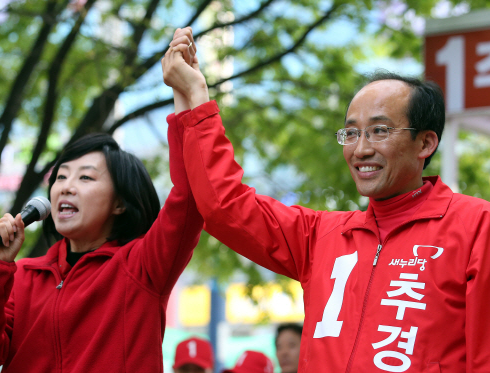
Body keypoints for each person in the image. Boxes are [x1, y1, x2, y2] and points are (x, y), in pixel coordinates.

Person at [163, 27, 490, 372]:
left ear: (425, 143)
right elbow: (224, 206)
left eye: (379, 130)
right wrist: (195, 96)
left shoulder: (475, 226)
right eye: (351, 133)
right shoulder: (320, 235)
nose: (361, 149)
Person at [0, 38, 203, 372]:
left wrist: (188, 93)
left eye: (86, 178)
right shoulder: (24, 276)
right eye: (60, 178)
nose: (66, 187)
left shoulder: (142, 266)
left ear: (119, 202)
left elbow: (190, 195)